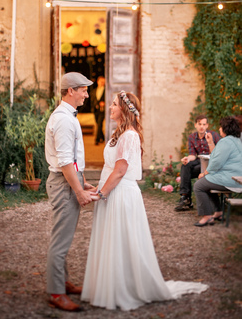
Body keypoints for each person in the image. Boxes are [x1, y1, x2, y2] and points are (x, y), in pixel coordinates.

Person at [81, 90, 208, 311]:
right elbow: (111, 167)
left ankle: (124, 288)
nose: (109, 108)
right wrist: (98, 187)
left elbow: (120, 171)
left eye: (113, 105)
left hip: (119, 193)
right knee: (112, 239)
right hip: (111, 191)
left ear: (124, 110)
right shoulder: (118, 133)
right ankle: (108, 286)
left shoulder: (129, 135)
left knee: (121, 239)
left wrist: (101, 194)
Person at [45, 72, 95, 312]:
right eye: (83, 89)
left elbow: (71, 159)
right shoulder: (64, 120)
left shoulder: (67, 116)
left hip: (67, 181)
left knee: (63, 238)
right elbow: (64, 162)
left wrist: (81, 181)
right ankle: (55, 293)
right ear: (70, 91)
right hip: (63, 184)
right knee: (60, 242)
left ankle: (62, 283)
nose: (87, 94)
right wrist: (78, 191)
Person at [193, 116, 242, 227]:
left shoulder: (225, 142)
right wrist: (210, 142)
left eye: (220, 127)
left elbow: (216, 162)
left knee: (199, 185)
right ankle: (218, 212)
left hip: (232, 180)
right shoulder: (237, 140)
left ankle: (207, 216)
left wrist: (204, 173)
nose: (219, 129)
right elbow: (217, 156)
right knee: (207, 182)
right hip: (237, 177)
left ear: (225, 128)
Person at [175, 114, 221, 211]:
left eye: (204, 124)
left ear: (207, 125)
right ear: (195, 125)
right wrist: (187, 158)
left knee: (187, 171)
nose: (201, 127)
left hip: (210, 165)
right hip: (199, 162)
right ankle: (185, 197)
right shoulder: (192, 137)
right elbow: (192, 155)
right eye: (199, 124)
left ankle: (188, 200)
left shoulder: (214, 135)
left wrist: (211, 142)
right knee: (185, 165)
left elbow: (219, 154)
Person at [90, 76, 105, 145]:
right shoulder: (94, 90)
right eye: (101, 82)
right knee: (98, 123)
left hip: (102, 110)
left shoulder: (106, 91)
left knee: (99, 123)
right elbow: (92, 100)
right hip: (96, 110)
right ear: (98, 82)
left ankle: (97, 139)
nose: (102, 83)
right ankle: (103, 137)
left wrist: (104, 103)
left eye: (103, 82)